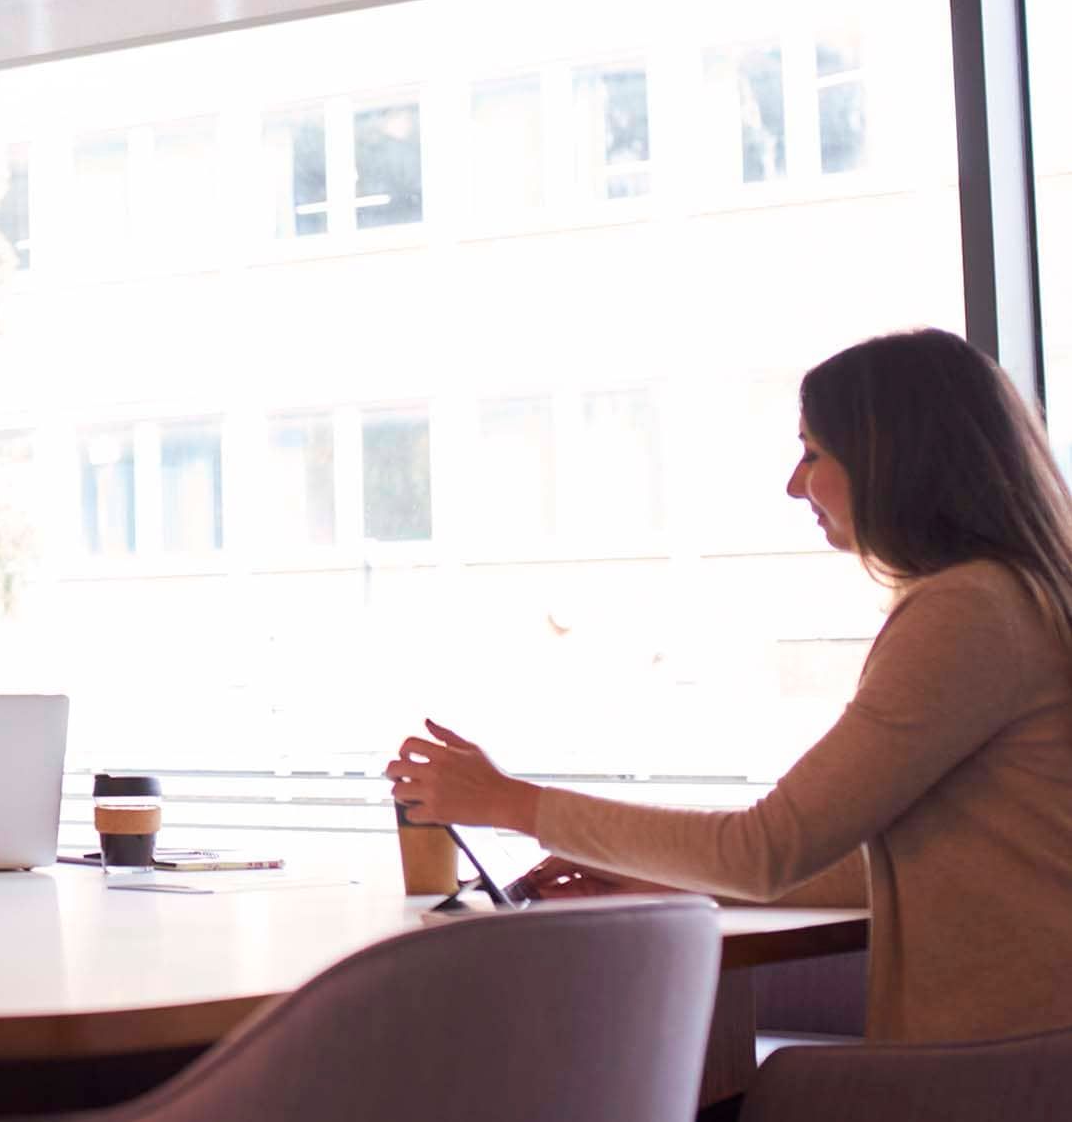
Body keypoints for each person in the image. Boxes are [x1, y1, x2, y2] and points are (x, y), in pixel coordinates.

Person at [388, 328, 1072, 1043]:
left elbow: (767, 848)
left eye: (813, 454)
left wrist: (508, 801)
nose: (795, 484)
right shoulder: (1015, 596)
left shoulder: (965, 612)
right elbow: (875, 863)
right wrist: (667, 876)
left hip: (998, 1072)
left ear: (892, 460)